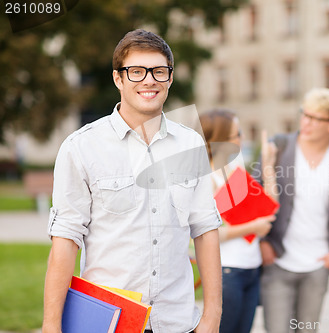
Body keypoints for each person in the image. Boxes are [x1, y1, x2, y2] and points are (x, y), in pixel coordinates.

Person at [42, 29, 222, 333]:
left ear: (170, 78)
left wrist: (212, 317)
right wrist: (51, 326)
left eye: (158, 71)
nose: (149, 80)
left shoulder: (191, 145)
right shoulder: (81, 147)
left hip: (177, 323)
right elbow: (65, 241)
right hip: (108, 324)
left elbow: (205, 230)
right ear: (118, 79)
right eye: (136, 72)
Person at [255, 88, 329, 333]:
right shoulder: (278, 147)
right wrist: (263, 242)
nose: (306, 123)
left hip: (318, 264)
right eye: (304, 115)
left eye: (315, 118)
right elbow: (254, 196)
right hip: (278, 259)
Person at [199, 109, 276, 333]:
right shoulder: (206, 179)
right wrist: (253, 228)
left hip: (251, 268)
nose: (241, 139)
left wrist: (268, 165)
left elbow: (269, 206)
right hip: (227, 271)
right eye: (237, 134)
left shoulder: (234, 170)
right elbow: (209, 235)